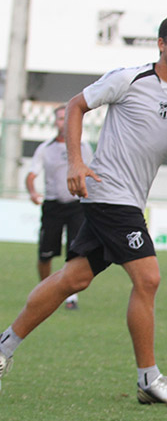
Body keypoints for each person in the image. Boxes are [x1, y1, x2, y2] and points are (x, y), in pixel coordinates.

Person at [0, 15, 167, 404]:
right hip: (109, 193)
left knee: (72, 279)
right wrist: (76, 163)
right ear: (161, 44)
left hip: (129, 198)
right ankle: (148, 379)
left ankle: (5, 347)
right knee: (148, 277)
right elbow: (75, 106)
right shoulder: (128, 78)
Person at [25, 104, 94, 310]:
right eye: (60, 118)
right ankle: (43, 291)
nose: (63, 122)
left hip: (76, 207)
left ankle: (70, 298)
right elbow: (31, 175)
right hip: (53, 206)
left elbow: (91, 172)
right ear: (55, 122)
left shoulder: (84, 147)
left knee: (75, 251)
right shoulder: (45, 149)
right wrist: (33, 192)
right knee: (45, 253)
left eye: (67, 118)